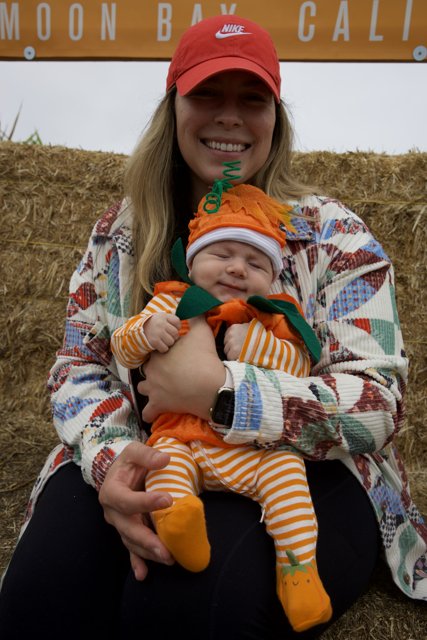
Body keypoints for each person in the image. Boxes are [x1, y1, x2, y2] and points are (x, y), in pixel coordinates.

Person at [0, 13, 426, 640]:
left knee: (184, 606)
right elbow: (78, 362)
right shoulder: (122, 233)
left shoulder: (333, 234)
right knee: (40, 599)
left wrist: (223, 393)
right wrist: (116, 465)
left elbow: (377, 402)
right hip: (160, 452)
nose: (229, 116)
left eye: (252, 99)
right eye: (207, 94)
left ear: (275, 118)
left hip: (302, 468)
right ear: (173, 106)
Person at [111, 177, 332, 632]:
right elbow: (122, 345)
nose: (236, 269)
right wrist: (146, 333)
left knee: (287, 474)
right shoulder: (171, 300)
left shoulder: (273, 314)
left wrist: (255, 344)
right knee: (163, 464)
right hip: (182, 439)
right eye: (222, 255)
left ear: (272, 276)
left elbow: (297, 367)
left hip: (251, 449)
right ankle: (178, 524)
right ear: (192, 263)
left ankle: (299, 570)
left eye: (255, 262)